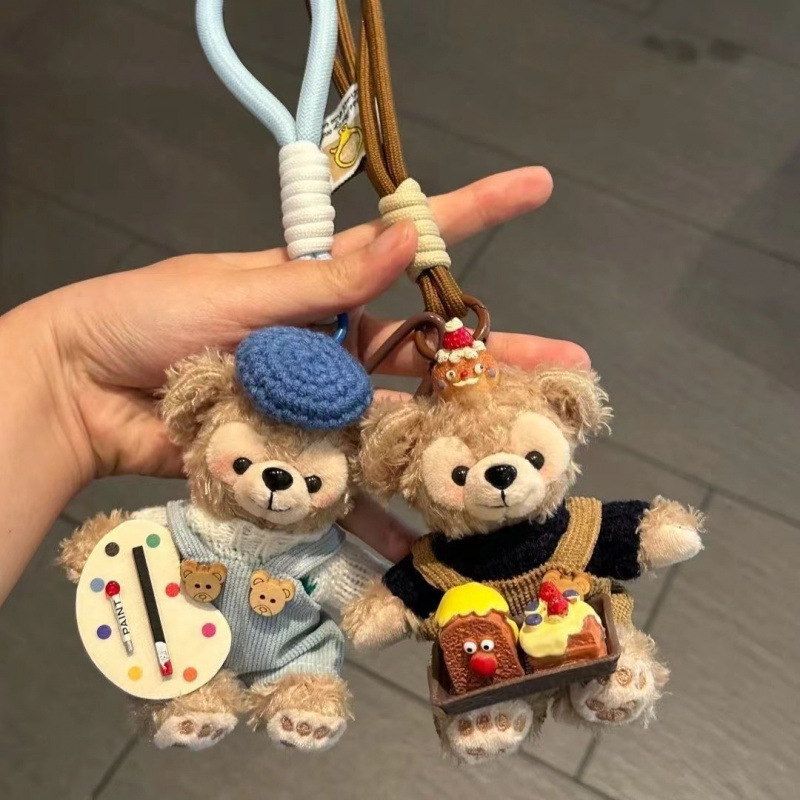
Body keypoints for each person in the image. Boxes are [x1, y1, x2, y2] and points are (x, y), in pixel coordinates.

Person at [0, 166, 587, 605]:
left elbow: (358, 592)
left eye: (311, 480)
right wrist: (59, 364)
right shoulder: (199, 518)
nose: (278, 485)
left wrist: (59, 365)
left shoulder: (315, 547)